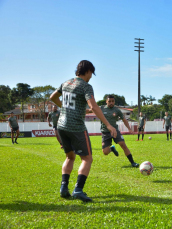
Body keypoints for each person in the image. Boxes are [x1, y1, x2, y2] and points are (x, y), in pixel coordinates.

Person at [50, 60, 117, 202]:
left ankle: (64, 187)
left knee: (70, 157)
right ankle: (78, 190)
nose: (91, 77)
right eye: (91, 73)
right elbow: (93, 107)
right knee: (87, 159)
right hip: (76, 127)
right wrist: (109, 125)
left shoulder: (66, 83)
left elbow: (52, 97)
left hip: (62, 126)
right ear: (87, 71)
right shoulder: (86, 86)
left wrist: (64, 107)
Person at [97, 95, 139, 167]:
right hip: (105, 132)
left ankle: (132, 162)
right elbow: (91, 109)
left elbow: (124, 120)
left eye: (112, 101)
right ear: (106, 101)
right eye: (109, 101)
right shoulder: (101, 108)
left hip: (115, 131)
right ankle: (112, 149)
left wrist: (129, 128)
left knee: (123, 145)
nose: (111, 103)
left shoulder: (117, 110)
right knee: (105, 152)